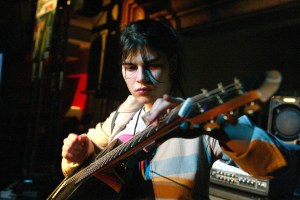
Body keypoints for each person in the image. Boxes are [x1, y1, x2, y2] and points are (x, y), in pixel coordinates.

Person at [60, 19, 294, 199]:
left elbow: (280, 166)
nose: (141, 78)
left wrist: (220, 128)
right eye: (130, 67)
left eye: (153, 65)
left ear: (171, 64)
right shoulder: (121, 118)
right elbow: (75, 163)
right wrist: (78, 153)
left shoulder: (196, 119)